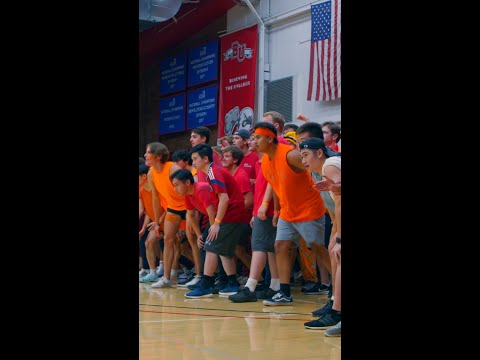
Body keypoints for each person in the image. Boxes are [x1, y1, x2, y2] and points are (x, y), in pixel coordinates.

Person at [253, 121, 328, 306]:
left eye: (258, 137)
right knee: (279, 246)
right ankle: (284, 292)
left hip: (309, 209)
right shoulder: (265, 163)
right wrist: (277, 210)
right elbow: (277, 187)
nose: (254, 141)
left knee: (318, 249)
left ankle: (335, 288)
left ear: (270, 138)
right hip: (288, 211)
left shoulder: (290, 155)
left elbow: (318, 170)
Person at [184, 144, 246, 298]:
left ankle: (206, 284)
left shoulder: (213, 172)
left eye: (195, 159)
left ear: (205, 159)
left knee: (211, 246)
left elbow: (224, 199)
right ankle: (232, 283)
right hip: (229, 214)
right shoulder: (210, 172)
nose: (193, 163)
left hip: (231, 214)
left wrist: (216, 222)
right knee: (223, 251)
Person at [145, 142, 186, 288]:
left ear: (158, 156)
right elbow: (155, 198)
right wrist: (157, 222)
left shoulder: (172, 168)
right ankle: (166, 278)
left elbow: (186, 187)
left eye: (148, 152)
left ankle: (200, 275)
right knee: (168, 239)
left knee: (192, 243)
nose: (145, 155)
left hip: (188, 207)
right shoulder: (150, 173)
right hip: (172, 209)